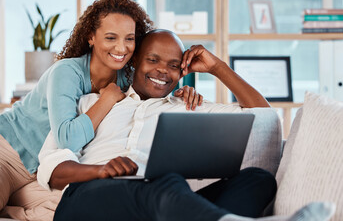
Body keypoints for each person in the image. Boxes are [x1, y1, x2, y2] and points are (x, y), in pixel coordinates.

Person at [37, 30, 335, 221]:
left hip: (162, 205)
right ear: (133, 63)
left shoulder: (188, 105)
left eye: (173, 65)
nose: (162, 71)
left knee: (257, 180)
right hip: (88, 199)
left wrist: (218, 68)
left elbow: (264, 117)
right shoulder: (92, 103)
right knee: (169, 183)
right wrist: (100, 171)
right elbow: (52, 166)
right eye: (152, 60)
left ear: (183, 71)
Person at [0, 0, 198, 221]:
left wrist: (182, 94)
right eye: (111, 37)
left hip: (41, 170)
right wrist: (107, 99)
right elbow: (67, 140)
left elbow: (150, 93)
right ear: (91, 37)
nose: (121, 47)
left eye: (129, 39)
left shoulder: (126, 75)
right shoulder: (66, 72)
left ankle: (12, 209)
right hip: (9, 153)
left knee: (72, 209)